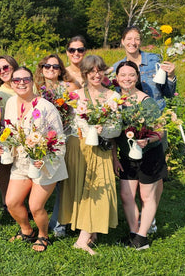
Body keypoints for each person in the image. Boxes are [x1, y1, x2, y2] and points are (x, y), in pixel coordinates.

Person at [112, 26, 176, 234]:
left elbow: (167, 91)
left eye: (137, 38)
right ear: (122, 41)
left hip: (155, 124)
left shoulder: (155, 59)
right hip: (130, 128)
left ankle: (151, 219)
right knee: (133, 181)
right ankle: (139, 221)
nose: (133, 42)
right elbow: (115, 98)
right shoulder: (117, 67)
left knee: (154, 176)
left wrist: (172, 76)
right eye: (128, 38)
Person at [58, 55, 119, 255]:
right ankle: (89, 232)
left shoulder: (112, 96)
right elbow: (67, 124)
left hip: (100, 148)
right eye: (91, 71)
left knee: (98, 190)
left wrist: (104, 130)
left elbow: (117, 128)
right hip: (78, 147)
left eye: (99, 70)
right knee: (81, 191)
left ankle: (82, 240)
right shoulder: (75, 95)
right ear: (84, 73)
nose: (96, 74)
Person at [1, 67, 67, 252]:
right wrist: (5, 147)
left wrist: (43, 159)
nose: (21, 83)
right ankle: (27, 230)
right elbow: (9, 133)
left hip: (45, 165)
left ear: (33, 81)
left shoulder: (46, 107)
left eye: (25, 79)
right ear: (11, 83)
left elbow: (60, 140)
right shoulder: (11, 103)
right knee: (12, 202)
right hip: (21, 163)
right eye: (16, 80)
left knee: (35, 206)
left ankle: (43, 235)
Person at [112, 61, 167, 250]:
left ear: (137, 77)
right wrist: (115, 157)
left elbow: (160, 130)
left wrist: (147, 141)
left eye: (131, 75)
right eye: (123, 75)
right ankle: (134, 233)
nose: (127, 79)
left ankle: (142, 238)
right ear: (117, 78)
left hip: (150, 154)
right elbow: (113, 135)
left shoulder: (146, 101)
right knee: (126, 195)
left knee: (146, 196)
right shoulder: (114, 101)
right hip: (126, 156)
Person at [34, 54, 78, 238]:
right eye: (46, 66)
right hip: (40, 141)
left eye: (55, 66)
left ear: (61, 70)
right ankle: (35, 215)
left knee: (62, 183)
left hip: (65, 139)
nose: (50, 69)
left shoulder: (69, 88)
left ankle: (59, 224)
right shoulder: (35, 89)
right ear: (41, 68)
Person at [0, 55, 19, 213]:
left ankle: (23, 202)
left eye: (6, 67)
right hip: (5, 136)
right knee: (4, 170)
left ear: (13, 66)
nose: (3, 71)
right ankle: (6, 203)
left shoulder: (26, 84)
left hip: (26, 136)